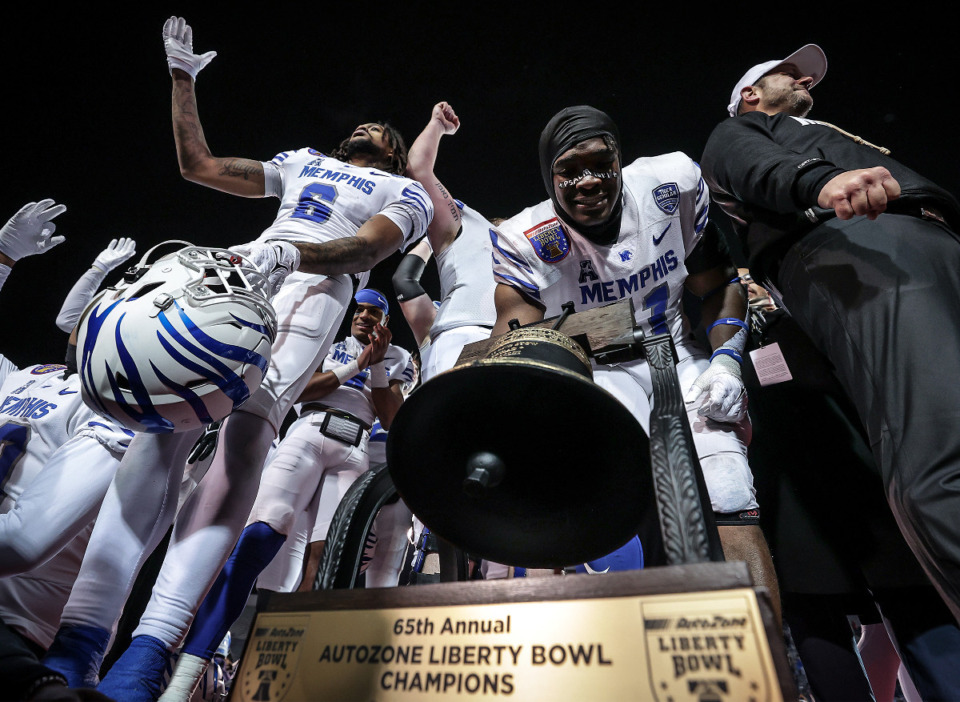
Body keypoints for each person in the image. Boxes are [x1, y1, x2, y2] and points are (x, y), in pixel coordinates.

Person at [42, 18, 432, 699]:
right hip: (242, 273)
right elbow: (198, 166)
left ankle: (152, 646)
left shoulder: (407, 194)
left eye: (385, 131)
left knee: (248, 427)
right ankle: (82, 635)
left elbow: (365, 252)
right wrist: (182, 82)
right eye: (364, 125)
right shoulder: (304, 158)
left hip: (314, 286)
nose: (372, 126)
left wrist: (294, 254)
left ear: (397, 153)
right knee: (162, 423)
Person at [700, 45, 960, 628]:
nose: (802, 76)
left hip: (932, 244)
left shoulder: (810, 126)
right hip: (860, 252)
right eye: (786, 71)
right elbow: (750, 164)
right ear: (750, 93)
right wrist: (823, 182)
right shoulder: (742, 128)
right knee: (940, 451)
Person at [491, 106, 780, 614]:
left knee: (731, 489)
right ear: (548, 175)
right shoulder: (526, 237)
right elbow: (516, 340)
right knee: (589, 499)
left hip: (677, 350)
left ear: (620, 159)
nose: (587, 181)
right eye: (569, 170)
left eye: (599, 163)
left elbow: (717, 286)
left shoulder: (671, 185)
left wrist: (728, 359)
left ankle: (770, 669)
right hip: (597, 366)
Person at [158, 289, 412, 700]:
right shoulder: (328, 342)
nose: (365, 317)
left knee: (324, 564)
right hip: (305, 434)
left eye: (374, 312)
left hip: (356, 448)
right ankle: (187, 676)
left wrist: (378, 367)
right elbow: (299, 389)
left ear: (385, 320)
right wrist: (356, 366)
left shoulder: (396, 355)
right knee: (258, 537)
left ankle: (279, 678)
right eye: (360, 310)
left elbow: (392, 418)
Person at [0, 200, 121, 702]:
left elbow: (19, 546)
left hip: (14, 625)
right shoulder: (22, 374)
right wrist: (2, 258)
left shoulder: (114, 408)